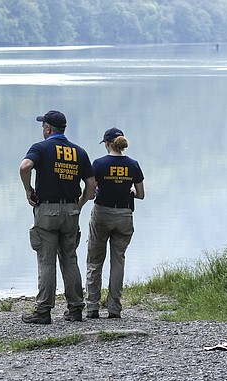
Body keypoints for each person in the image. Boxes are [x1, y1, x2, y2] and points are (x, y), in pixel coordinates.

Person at [20, 110, 96, 324]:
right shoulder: (79, 151)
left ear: (48, 129)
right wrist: (79, 204)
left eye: (43, 126)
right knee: (70, 260)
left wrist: (28, 190)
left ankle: (43, 311)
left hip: (47, 211)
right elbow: (91, 185)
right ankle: (75, 309)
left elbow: (25, 166)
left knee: (47, 261)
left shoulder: (40, 148)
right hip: (71, 211)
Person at [85, 127, 145, 319]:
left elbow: (91, 190)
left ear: (109, 144)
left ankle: (92, 307)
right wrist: (130, 192)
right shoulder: (133, 165)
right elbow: (141, 194)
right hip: (124, 215)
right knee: (118, 261)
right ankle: (114, 309)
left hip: (102, 213)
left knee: (95, 261)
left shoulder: (99, 164)